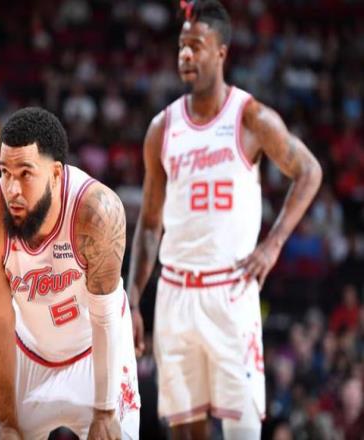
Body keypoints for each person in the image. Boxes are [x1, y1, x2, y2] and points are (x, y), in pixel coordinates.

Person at [127, 1, 322, 439]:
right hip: (175, 294)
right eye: (182, 46)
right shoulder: (162, 128)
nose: (185, 54)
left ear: (221, 52)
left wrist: (272, 245)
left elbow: (309, 171)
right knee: (184, 431)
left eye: (196, 45)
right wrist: (133, 299)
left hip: (230, 292)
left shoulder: (250, 117)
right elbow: (150, 223)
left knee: (244, 430)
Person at [0, 107, 140, 440]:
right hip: (28, 354)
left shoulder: (97, 212)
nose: (12, 189)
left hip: (95, 353)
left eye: (25, 173)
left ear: (56, 174)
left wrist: (105, 411)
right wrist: (6, 420)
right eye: (5, 172)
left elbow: (105, 316)